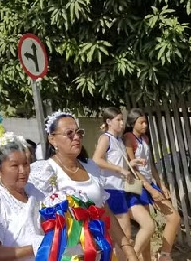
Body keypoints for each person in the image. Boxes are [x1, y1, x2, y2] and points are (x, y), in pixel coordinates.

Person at [29, 111, 139, 261]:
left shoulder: (90, 167)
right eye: (69, 133)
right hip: (67, 256)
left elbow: (104, 209)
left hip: (99, 250)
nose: (76, 137)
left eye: (79, 132)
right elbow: (37, 219)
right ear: (52, 139)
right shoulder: (45, 172)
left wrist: (126, 247)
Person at [91, 107, 153, 258]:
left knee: (149, 225)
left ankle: (134, 255)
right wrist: (120, 169)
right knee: (124, 238)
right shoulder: (105, 138)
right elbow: (96, 159)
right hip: (112, 190)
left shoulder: (118, 140)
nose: (122, 122)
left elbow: (119, 163)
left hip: (124, 188)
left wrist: (132, 164)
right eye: (118, 119)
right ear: (108, 121)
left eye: (122, 119)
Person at [0, 133, 43, 260]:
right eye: (15, 166)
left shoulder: (35, 193)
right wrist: (37, 247)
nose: (23, 171)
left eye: (26, 164)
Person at [123, 109, 181, 261]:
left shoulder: (145, 139)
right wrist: (148, 188)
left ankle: (164, 255)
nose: (145, 125)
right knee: (147, 227)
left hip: (149, 181)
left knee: (173, 217)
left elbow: (152, 165)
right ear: (132, 123)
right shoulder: (128, 138)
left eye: (145, 122)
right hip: (137, 184)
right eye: (141, 122)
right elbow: (133, 168)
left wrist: (161, 186)